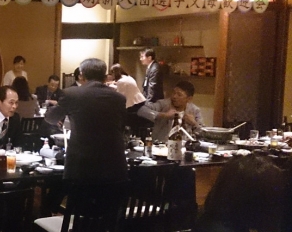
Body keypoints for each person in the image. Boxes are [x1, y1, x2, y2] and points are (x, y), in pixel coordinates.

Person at [44, 58, 128, 211]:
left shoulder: (72, 94)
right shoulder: (119, 98)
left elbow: (50, 118)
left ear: (81, 75)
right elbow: (121, 126)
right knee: (107, 213)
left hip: (82, 167)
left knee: (79, 212)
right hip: (114, 166)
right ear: (105, 76)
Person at [137, 80, 203, 143]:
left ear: (189, 99)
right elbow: (141, 110)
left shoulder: (194, 110)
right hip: (161, 145)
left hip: (185, 146)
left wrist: (194, 123)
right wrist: (164, 115)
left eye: (179, 95)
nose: (174, 96)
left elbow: (203, 134)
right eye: (174, 93)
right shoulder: (163, 104)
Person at [109, 63, 150, 134]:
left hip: (132, 104)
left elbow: (120, 95)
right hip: (140, 101)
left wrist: (111, 87)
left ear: (114, 73)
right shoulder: (128, 77)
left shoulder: (121, 81)